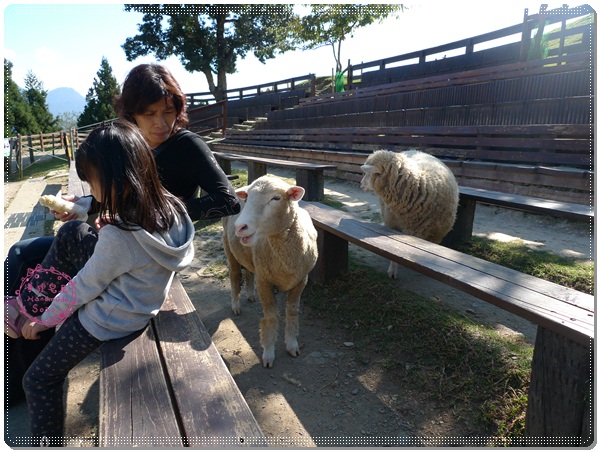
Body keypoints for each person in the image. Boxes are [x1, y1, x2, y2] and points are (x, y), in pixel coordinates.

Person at [4, 62, 240, 406]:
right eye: (150, 114)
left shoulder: (186, 145)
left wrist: (150, 217)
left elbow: (228, 201)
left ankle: (30, 354)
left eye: (169, 112)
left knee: (35, 254)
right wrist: (82, 204)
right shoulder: (127, 144)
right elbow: (116, 200)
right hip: (120, 242)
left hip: (144, 256)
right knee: (23, 252)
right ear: (132, 115)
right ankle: (24, 362)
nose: (161, 123)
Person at [5, 121, 195, 446]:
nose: (91, 193)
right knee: (72, 233)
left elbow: (83, 287)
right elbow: (131, 253)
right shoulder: (171, 206)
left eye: (92, 183)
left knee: (37, 380)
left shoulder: (121, 238)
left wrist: (45, 320)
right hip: (141, 294)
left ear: (118, 183)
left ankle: (29, 313)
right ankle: (27, 302)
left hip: (110, 318)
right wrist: (109, 223)